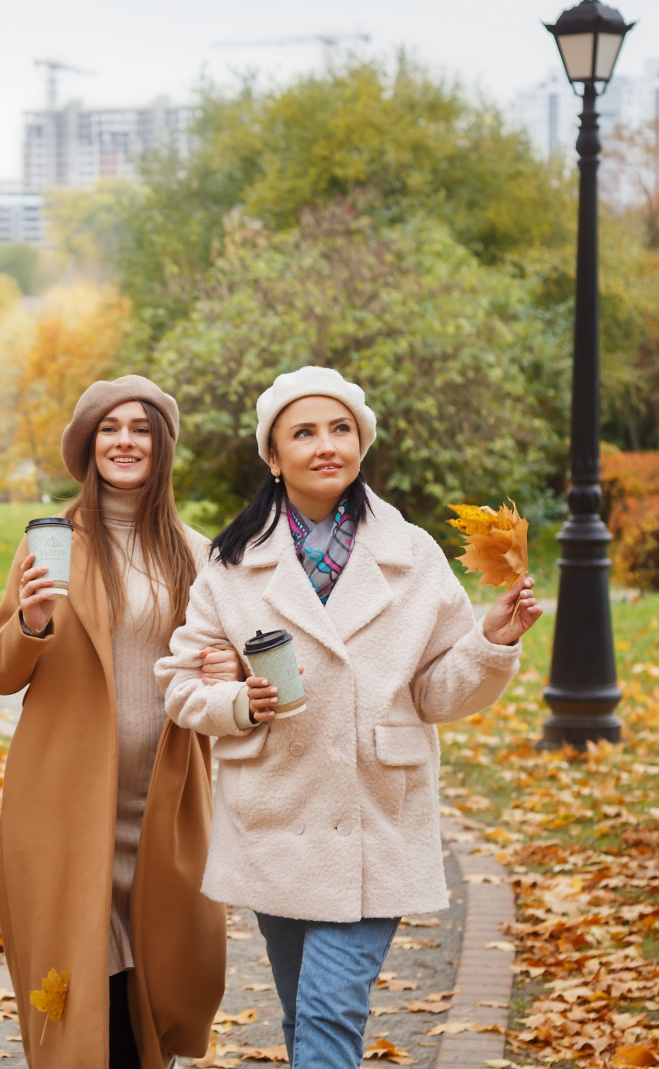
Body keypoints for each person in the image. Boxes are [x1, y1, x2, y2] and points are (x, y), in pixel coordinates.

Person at [157, 366, 542, 1069]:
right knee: (303, 1014)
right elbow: (183, 688)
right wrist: (240, 702)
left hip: (376, 818)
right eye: (302, 433)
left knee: (331, 1013)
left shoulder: (412, 557)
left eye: (340, 429)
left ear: (361, 444)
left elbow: (435, 693)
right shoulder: (229, 564)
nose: (325, 445)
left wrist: (492, 640)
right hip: (276, 817)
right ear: (273, 457)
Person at [0, 376, 238, 1069]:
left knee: (161, 978)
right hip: (63, 803)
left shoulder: (197, 553)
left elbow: (220, 667)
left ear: (161, 448)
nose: (125, 440)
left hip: (165, 799)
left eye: (141, 428)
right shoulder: (51, 542)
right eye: (109, 428)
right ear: (88, 447)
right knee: (84, 992)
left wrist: (226, 674)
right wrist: (31, 624)